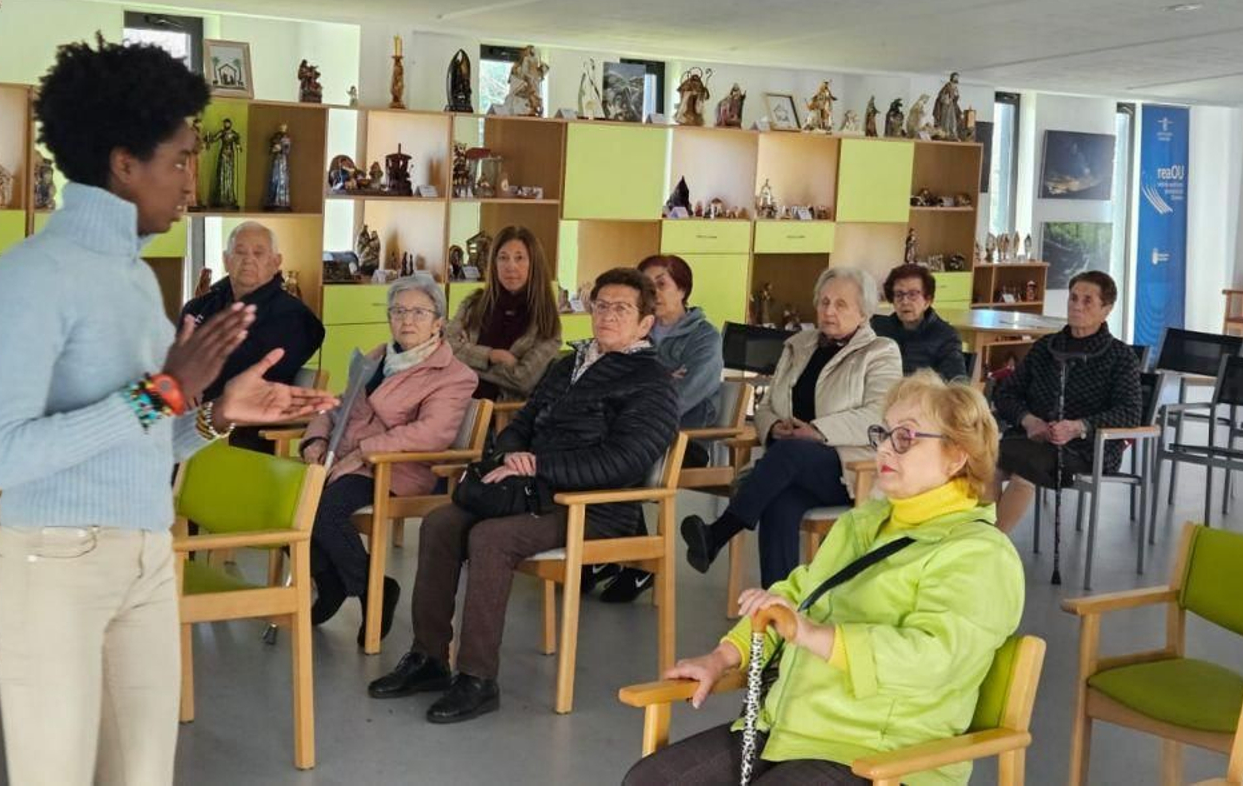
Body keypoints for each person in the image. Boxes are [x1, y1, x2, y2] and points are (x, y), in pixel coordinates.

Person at [0, 38, 335, 786]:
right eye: (179, 159)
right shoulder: (32, 274)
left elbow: (142, 441)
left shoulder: (137, 279)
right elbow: (4, 455)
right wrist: (163, 391)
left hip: (145, 557)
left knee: (145, 776)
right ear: (122, 163)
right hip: (54, 567)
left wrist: (215, 414)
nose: (190, 181)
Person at [625, 372, 1024, 786]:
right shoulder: (865, 522)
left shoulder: (980, 554)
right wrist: (722, 658)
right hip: (786, 728)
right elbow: (795, 595)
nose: (885, 447)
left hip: (882, 754)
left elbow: (934, 659)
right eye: (883, 433)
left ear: (956, 457)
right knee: (650, 781)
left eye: (904, 437)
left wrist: (813, 635)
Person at [368, 267, 679, 724]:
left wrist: (540, 466)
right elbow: (522, 424)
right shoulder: (567, 364)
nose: (607, 315)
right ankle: (429, 658)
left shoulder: (652, 382)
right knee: (440, 523)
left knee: (491, 538)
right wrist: (511, 457)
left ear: (646, 323)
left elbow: (623, 461)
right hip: (531, 491)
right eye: (601, 305)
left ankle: (477, 678)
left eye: (622, 309)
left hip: (595, 508)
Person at [681, 267, 902, 587]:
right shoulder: (799, 345)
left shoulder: (880, 352)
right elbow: (768, 405)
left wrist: (817, 431)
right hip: (790, 467)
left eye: (841, 304)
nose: (829, 311)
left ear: (864, 311)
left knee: (791, 454)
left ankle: (719, 532)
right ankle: (778, 610)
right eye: (824, 302)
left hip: (850, 468)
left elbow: (878, 417)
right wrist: (773, 428)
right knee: (779, 504)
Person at [301, 274, 476, 646]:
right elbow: (337, 404)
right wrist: (315, 439)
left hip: (397, 468)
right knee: (289, 504)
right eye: (398, 311)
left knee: (324, 510)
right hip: (345, 458)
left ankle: (374, 591)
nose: (407, 320)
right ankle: (334, 583)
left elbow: (432, 433)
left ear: (438, 322)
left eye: (418, 312)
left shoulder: (454, 375)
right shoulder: (379, 355)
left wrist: (365, 451)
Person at [591, 253, 723, 604]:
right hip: (631, 433)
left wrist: (641, 389)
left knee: (619, 460)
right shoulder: (634, 329)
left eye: (661, 284)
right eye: (646, 285)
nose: (654, 291)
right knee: (588, 450)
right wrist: (661, 379)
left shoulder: (704, 339)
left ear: (683, 289)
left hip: (684, 441)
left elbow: (679, 399)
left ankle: (640, 562)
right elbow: (603, 383)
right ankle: (607, 551)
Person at [988, 270, 1141, 533]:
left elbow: (1129, 412)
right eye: (1073, 298)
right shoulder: (1046, 347)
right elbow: (1006, 393)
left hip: (1086, 448)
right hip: (1033, 438)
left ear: (1107, 309)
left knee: (1024, 469)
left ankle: (991, 546)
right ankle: (976, 539)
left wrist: (1078, 426)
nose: (1076, 306)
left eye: (1087, 300)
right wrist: (1028, 420)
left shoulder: (1120, 356)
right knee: (984, 465)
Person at [180, 220, 325, 400]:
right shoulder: (198, 307)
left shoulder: (293, 317)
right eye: (240, 252)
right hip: (176, 409)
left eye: (258, 253)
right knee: (141, 409)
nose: (249, 259)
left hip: (239, 420)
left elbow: (240, 370)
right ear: (226, 260)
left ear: (275, 262)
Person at [443, 225, 561, 402]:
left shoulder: (546, 320)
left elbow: (522, 380)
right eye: (503, 258)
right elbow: (444, 350)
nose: (510, 266)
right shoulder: (473, 304)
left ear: (533, 264)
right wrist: (491, 356)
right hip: (455, 405)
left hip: (504, 418)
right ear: (494, 263)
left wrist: (467, 356)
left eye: (519, 258)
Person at [869, 263, 966, 380]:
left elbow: (956, 383)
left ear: (927, 300)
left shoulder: (946, 336)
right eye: (899, 294)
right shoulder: (879, 329)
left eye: (913, 294)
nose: (904, 301)